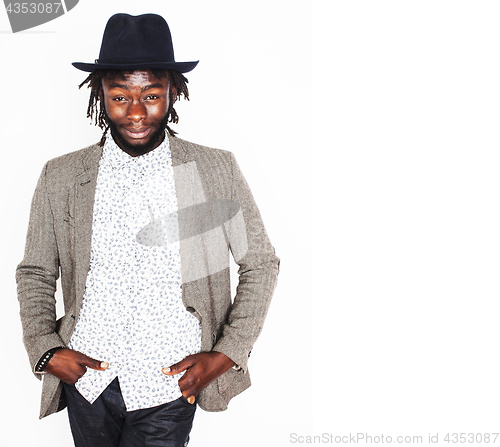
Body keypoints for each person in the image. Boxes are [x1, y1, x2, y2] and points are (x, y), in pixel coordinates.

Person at [16, 13, 279, 447]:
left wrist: (227, 353)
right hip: (87, 381)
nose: (136, 112)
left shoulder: (212, 170)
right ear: (100, 93)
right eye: (120, 96)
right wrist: (46, 350)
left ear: (173, 91)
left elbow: (261, 264)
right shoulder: (62, 177)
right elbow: (36, 272)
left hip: (168, 386)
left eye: (151, 95)